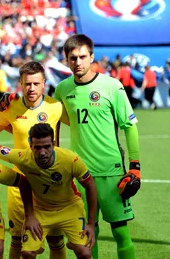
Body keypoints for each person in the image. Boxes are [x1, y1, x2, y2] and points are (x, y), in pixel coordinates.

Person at [54, 34, 141, 259]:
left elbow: (129, 126)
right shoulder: (62, 89)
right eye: (73, 58)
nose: (78, 62)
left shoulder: (112, 86)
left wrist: (135, 166)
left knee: (121, 232)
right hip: (79, 173)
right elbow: (55, 121)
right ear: (66, 59)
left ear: (92, 57)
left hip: (111, 172)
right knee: (86, 234)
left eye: (83, 57)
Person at [0, 61, 69, 259]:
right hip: (20, 184)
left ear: (44, 83)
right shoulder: (11, 108)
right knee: (18, 241)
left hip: (50, 182)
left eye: (36, 84)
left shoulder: (56, 107)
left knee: (55, 241)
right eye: (27, 84)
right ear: (20, 83)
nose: (31, 88)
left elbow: (81, 127)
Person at [0, 123, 98, 259]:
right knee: (27, 254)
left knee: (85, 253)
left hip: (70, 208)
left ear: (54, 144)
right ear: (30, 146)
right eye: (37, 147)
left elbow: (90, 185)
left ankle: (76, 242)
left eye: (46, 147)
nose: (42, 152)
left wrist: (91, 223)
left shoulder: (70, 159)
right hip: (41, 211)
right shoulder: (22, 157)